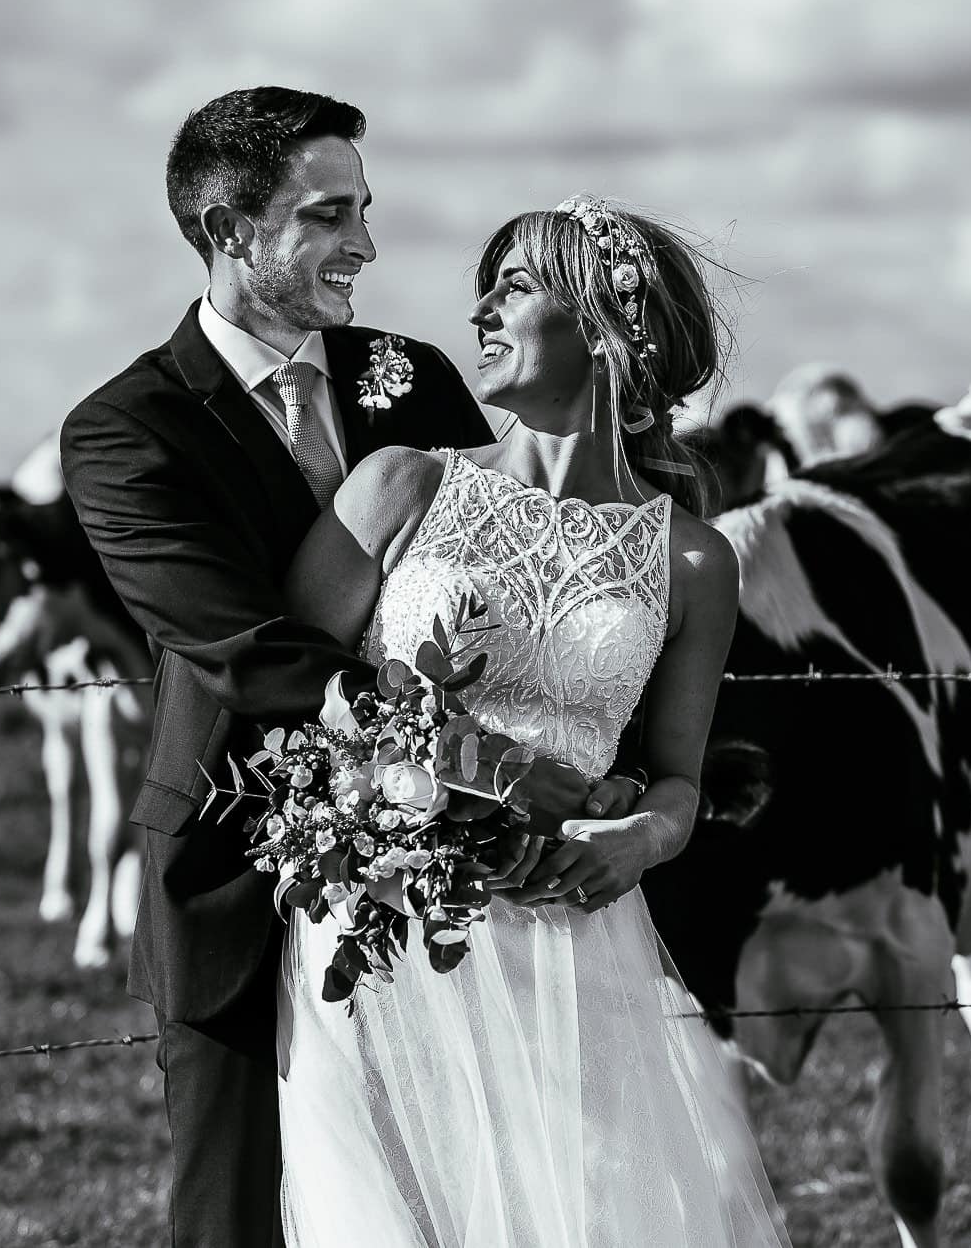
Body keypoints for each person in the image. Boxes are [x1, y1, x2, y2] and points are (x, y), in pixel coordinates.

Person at [60, 88, 642, 1247]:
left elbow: (513, 568)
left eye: (364, 210)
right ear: (230, 234)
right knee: (239, 1218)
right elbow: (245, 648)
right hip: (238, 873)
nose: (365, 246)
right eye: (328, 216)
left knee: (441, 1198)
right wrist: (481, 761)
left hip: (434, 882)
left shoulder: (411, 374)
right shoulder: (127, 431)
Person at [272, 195, 789, 1245]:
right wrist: (448, 764)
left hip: (574, 951)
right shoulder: (401, 486)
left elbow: (680, 779)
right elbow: (285, 696)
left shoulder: (692, 558)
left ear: (605, 323)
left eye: (512, 286)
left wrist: (643, 835)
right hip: (386, 946)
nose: (480, 313)